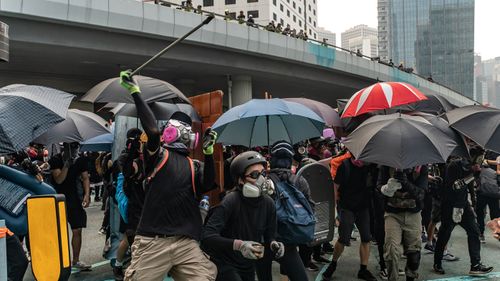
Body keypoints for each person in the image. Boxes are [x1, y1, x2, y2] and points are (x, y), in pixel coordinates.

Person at [120, 70, 218, 281]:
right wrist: (135, 92)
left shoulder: (194, 165)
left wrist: (209, 154)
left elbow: (209, 183)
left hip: (185, 242)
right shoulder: (157, 156)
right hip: (153, 242)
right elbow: (153, 133)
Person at [201, 151, 284, 281]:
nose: (262, 179)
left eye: (263, 173)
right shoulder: (231, 201)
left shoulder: (268, 203)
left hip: (247, 264)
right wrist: (239, 245)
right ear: (240, 180)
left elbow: (270, 234)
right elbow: (208, 236)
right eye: (255, 175)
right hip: (224, 263)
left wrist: (274, 244)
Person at [256, 141, 311, 281]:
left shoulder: (262, 181)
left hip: (262, 239)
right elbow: (310, 208)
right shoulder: (300, 181)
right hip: (289, 239)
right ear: (290, 160)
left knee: (264, 276)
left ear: (272, 159)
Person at [433, 157, 493, 276]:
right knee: (445, 233)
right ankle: (437, 262)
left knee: (474, 231)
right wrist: (473, 174)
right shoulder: (454, 165)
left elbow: (470, 186)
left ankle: (475, 265)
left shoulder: (471, 166)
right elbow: (455, 186)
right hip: (450, 204)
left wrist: (473, 201)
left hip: (463, 204)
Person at [322, 156, 377, 281]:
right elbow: (335, 187)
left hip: (363, 207)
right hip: (347, 207)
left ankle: (363, 270)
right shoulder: (345, 166)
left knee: (366, 238)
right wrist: (335, 209)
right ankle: (333, 265)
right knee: (343, 238)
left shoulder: (370, 165)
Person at [378, 165, 428, 281]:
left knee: (414, 255)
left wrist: (405, 182)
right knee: (392, 250)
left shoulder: (421, 167)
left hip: (413, 214)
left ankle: (410, 277)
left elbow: (421, 194)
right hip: (392, 214)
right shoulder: (386, 166)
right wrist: (387, 188)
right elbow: (378, 187)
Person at [49, 142, 91, 271]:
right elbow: (59, 180)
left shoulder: (80, 160)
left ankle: (76, 260)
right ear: (64, 148)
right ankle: (56, 261)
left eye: (76, 147)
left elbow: (85, 178)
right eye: (71, 147)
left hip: (74, 198)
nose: (74, 151)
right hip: (57, 198)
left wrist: (87, 194)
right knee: (58, 233)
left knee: (77, 229)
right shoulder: (55, 160)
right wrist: (67, 164)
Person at [477, 150, 500, 242]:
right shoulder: (488, 151)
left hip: (488, 184)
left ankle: (482, 233)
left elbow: (484, 162)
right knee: (492, 213)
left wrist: (487, 161)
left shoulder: (489, 150)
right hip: (490, 185)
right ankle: (481, 233)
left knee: (486, 212)